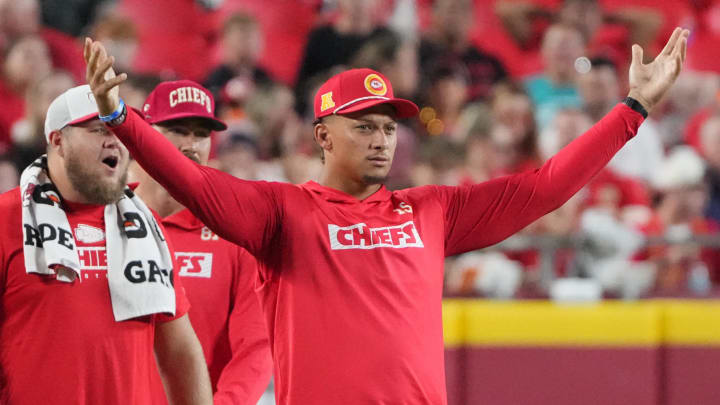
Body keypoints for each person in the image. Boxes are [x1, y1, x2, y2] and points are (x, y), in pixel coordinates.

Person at [85, 28, 689, 404]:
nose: (382, 140)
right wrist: (120, 118)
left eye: (388, 128)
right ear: (323, 135)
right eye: (363, 127)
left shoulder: (433, 210)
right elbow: (192, 179)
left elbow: (544, 189)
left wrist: (631, 109)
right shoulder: (282, 213)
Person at [0, 84, 212, 404]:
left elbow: (180, 352)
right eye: (100, 129)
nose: (115, 139)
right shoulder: (7, 220)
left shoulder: (146, 227)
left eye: (120, 129)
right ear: (57, 140)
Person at [130, 79, 273, 404]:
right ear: (143, 136)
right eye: (178, 129)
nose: (191, 144)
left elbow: (256, 346)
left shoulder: (235, 232)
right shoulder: (108, 217)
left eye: (201, 134)